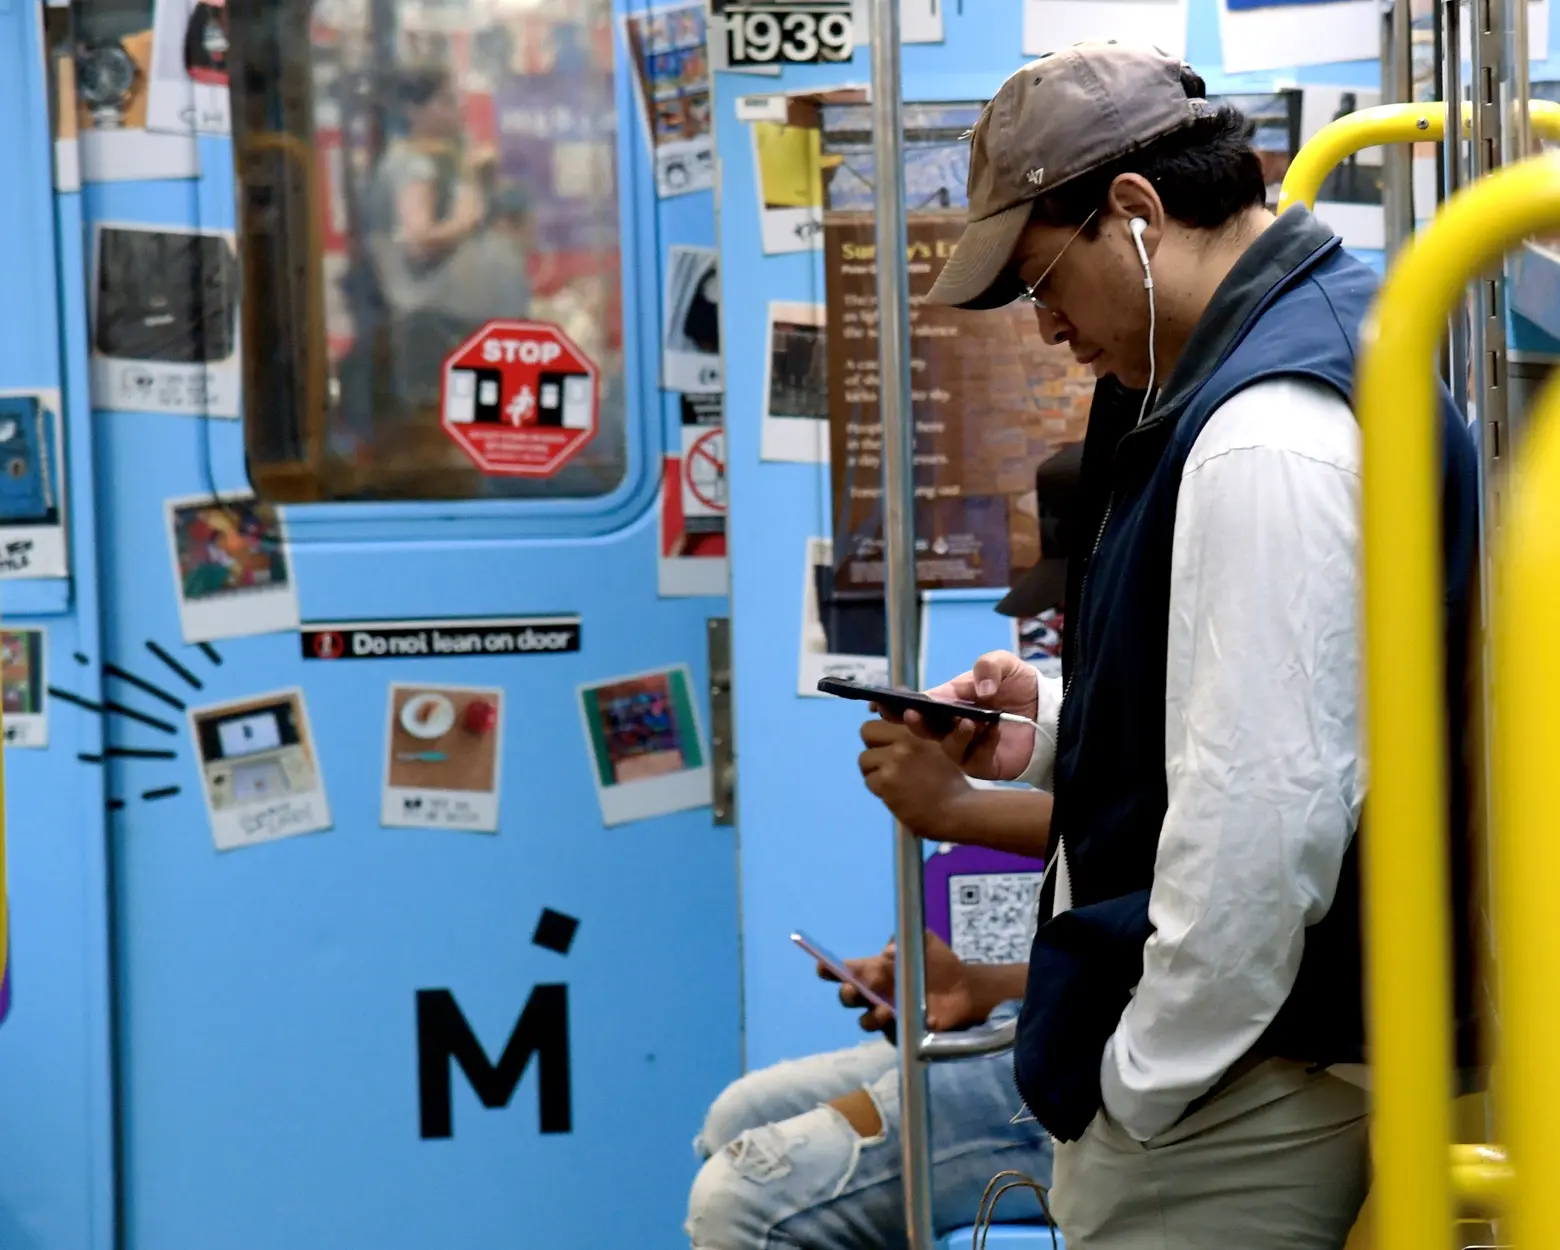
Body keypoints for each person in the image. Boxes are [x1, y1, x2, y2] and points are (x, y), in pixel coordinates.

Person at [907, 41, 1480, 1250]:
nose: (1047, 328)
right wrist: (1048, 724)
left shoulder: (1263, 430)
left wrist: (1144, 1080)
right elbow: (1278, 702)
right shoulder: (1276, 352)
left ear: (1135, 212)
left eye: (1042, 281)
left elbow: (1266, 813)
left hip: (1242, 1082)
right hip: (1261, 1054)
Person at [686, 725, 1054, 1249]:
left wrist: (959, 807)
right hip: (1051, 1015)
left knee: (742, 1199)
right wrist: (977, 988)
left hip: (1108, 1070)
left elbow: (1155, 835)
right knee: (741, 1114)